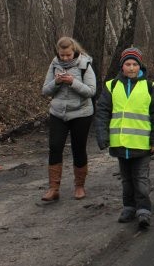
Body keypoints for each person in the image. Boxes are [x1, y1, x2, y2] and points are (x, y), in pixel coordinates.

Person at [95, 47, 154, 229]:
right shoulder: (111, 86)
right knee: (126, 179)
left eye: (135, 64)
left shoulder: (150, 87)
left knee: (141, 179)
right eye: (128, 64)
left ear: (140, 66)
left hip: (142, 145)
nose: (132, 68)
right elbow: (103, 112)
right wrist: (103, 137)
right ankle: (128, 207)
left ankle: (144, 210)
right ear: (122, 66)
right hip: (120, 143)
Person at [41, 37, 97, 202]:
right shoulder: (54, 65)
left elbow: (91, 91)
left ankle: (79, 186)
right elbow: (45, 90)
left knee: (78, 149)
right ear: (58, 53)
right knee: (55, 147)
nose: (65, 58)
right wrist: (57, 82)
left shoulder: (85, 64)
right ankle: (53, 188)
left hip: (81, 113)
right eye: (62, 55)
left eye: (68, 55)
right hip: (58, 113)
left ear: (74, 51)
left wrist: (73, 82)